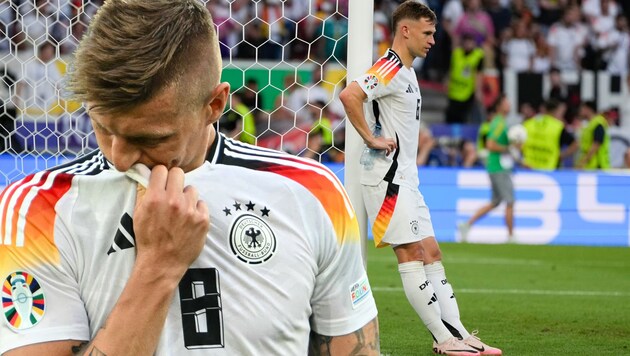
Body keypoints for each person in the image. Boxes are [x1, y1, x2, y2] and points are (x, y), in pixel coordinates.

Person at [0, 1, 379, 355]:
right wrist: (158, 267)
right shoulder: (38, 209)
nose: (118, 157)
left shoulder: (311, 192)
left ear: (214, 105)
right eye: (101, 127)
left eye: (149, 138)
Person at [339, 2, 501, 355]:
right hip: (388, 179)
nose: (433, 40)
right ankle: (444, 341)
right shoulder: (389, 66)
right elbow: (350, 95)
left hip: (406, 177)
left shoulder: (408, 73)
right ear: (405, 31)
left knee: (431, 252)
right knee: (412, 254)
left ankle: (459, 335)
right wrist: (371, 138)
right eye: (427, 33)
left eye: (434, 32)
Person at [458, 94, 517, 243]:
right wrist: (508, 148)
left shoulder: (499, 122)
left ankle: (466, 224)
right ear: (499, 106)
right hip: (498, 167)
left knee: (495, 202)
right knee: (509, 201)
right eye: (506, 102)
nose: (509, 105)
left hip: (496, 166)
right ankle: (511, 236)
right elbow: (490, 144)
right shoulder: (499, 123)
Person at [522, 98, 578, 170]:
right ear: (556, 111)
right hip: (550, 171)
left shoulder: (528, 124)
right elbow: (576, 144)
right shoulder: (558, 127)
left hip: (528, 169)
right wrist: (561, 156)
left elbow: (517, 145)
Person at [575, 101, 611, 170]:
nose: (580, 111)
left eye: (582, 109)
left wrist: (583, 161)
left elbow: (596, 144)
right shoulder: (589, 124)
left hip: (598, 166)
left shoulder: (598, 123)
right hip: (591, 166)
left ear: (588, 109)